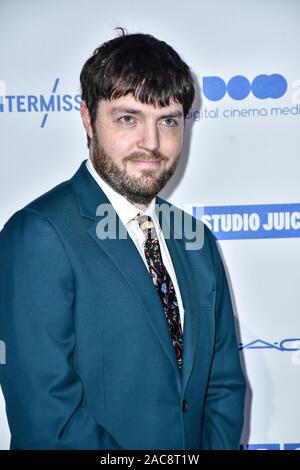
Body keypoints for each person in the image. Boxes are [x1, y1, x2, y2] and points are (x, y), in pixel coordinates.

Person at [0, 30, 246, 450]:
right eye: (128, 118)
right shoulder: (38, 234)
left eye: (168, 121)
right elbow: (47, 420)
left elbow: (222, 387)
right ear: (87, 118)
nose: (151, 143)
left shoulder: (196, 240)